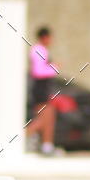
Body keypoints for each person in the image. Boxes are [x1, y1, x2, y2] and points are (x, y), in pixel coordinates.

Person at [26, 26, 59, 156]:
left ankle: (47, 146)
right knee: (42, 118)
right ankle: (20, 139)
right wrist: (54, 68)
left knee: (49, 117)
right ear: (45, 37)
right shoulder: (38, 50)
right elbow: (38, 72)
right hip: (40, 88)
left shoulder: (42, 50)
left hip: (45, 87)